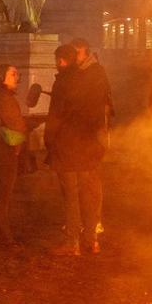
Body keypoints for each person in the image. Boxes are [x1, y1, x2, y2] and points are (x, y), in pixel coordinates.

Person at [45, 42, 109, 256]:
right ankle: (91, 240)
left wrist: (49, 143)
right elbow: (100, 111)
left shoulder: (62, 82)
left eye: (58, 60)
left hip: (67, 148)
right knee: (88, 195)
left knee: (71, 196)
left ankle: (72, 242)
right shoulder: (89, 79)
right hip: (88, 145)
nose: (57, 64)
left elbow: (55, 117)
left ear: (62, 60)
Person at [0, 64, 27, 248]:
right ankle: (1, 238)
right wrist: (24, 129)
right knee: (4, 195)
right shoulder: (2, 97)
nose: (17, 77)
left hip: (3, 147)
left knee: (2, 194)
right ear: (2, 77)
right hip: (5, 148)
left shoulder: (0, 95)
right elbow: (14, 122)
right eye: (12, 74)